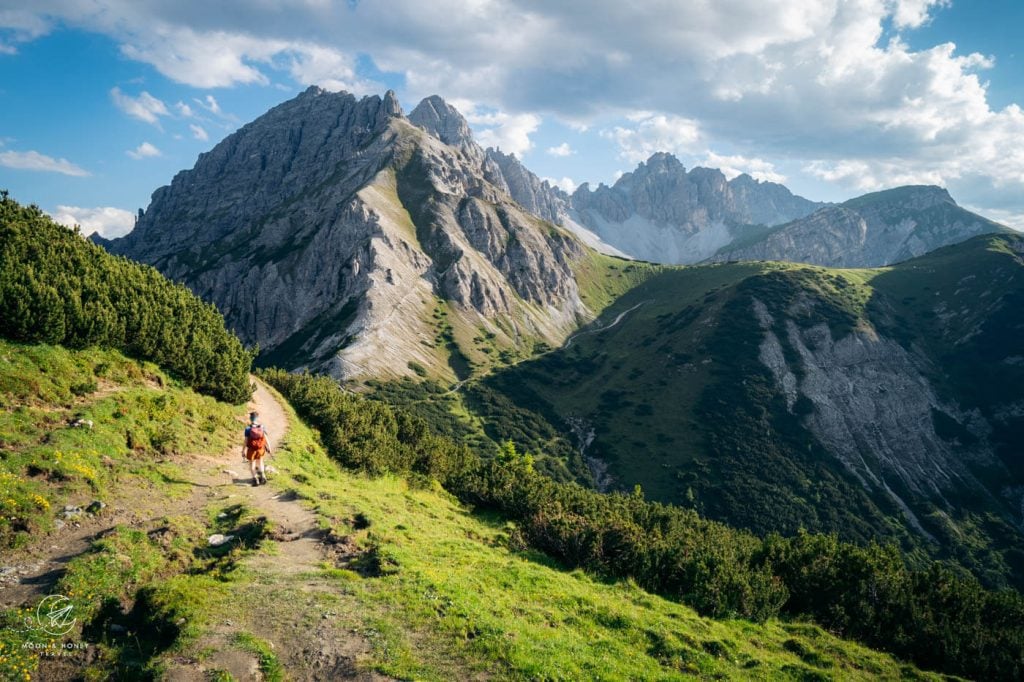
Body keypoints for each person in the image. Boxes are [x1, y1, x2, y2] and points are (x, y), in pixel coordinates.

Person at [242, 411, 272, 486]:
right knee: (260, 462)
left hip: (252, 449)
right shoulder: (261, 427)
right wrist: (269, 447)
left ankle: (255, 479)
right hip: (260, 449)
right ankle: (263, 476)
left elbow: (245, 441)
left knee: (252, 464)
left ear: (250, 418)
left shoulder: (248, 429)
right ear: (257, 418)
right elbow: (265, 438)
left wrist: (243, 450)